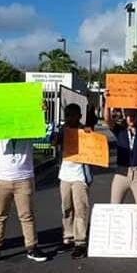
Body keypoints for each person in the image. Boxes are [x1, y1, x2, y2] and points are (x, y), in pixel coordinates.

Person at [0, 104, 48, 264]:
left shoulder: (28, 126)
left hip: (24, 177)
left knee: (26, 215)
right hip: (2, 178)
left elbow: (41, 130)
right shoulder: (0, 126)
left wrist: (41, 113)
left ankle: (32, 247)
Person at [51, 103, 94, 259]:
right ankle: (68, 237)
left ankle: (80, 242)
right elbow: (52, 143)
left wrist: (88, 133)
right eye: (67, 115)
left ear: (79, 116)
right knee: (66, 208)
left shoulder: (85, 130)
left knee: (80, 209)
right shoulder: (62, 130)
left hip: (79, 176)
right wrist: (57, 135)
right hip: (65, 175)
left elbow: (93, 146)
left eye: (73, 115)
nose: (70, 118)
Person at [103, 98, 137, 204]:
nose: (131, 118)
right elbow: (107, 119)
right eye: (128, 115)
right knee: (114, 206)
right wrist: (108, 100)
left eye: (133, 115)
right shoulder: (120, 131)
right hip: (121, 173)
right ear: (125, 116)